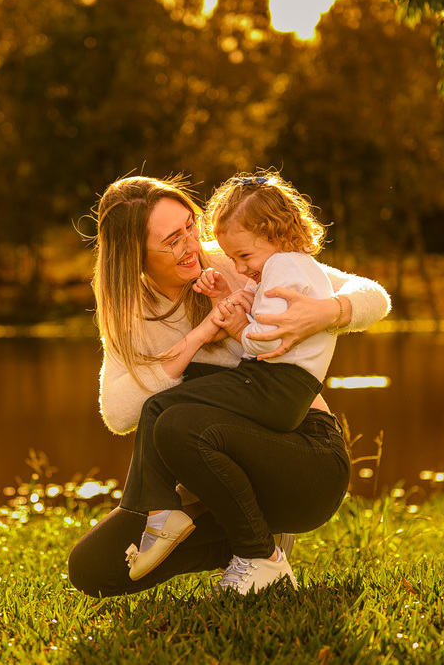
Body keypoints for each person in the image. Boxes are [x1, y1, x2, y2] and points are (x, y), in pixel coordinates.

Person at [67, 175, 390, 597]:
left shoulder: (236, 260)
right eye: (172, 240)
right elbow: (118, 413)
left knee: (176, 421)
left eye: (189, 227)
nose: (190, 246)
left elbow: (374, 296)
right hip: (208, 473)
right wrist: (197, 338)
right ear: (135, 255)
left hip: (301, 455)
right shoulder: (130, 311)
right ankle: (247, 539)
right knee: (93, 569)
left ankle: (261, 554)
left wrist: (328, 311)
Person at [122, 171, 345, 584]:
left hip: (277, 388)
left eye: (244, 257)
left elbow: (261, 343)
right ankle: (161, 512)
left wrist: (236, 323)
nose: (241, 268)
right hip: (275, 385)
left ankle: (164, 515)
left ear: (275, 235)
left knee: (162, 406)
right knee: (163, 403)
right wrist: (228, 302)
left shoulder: (283, 268)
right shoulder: (285, 265)